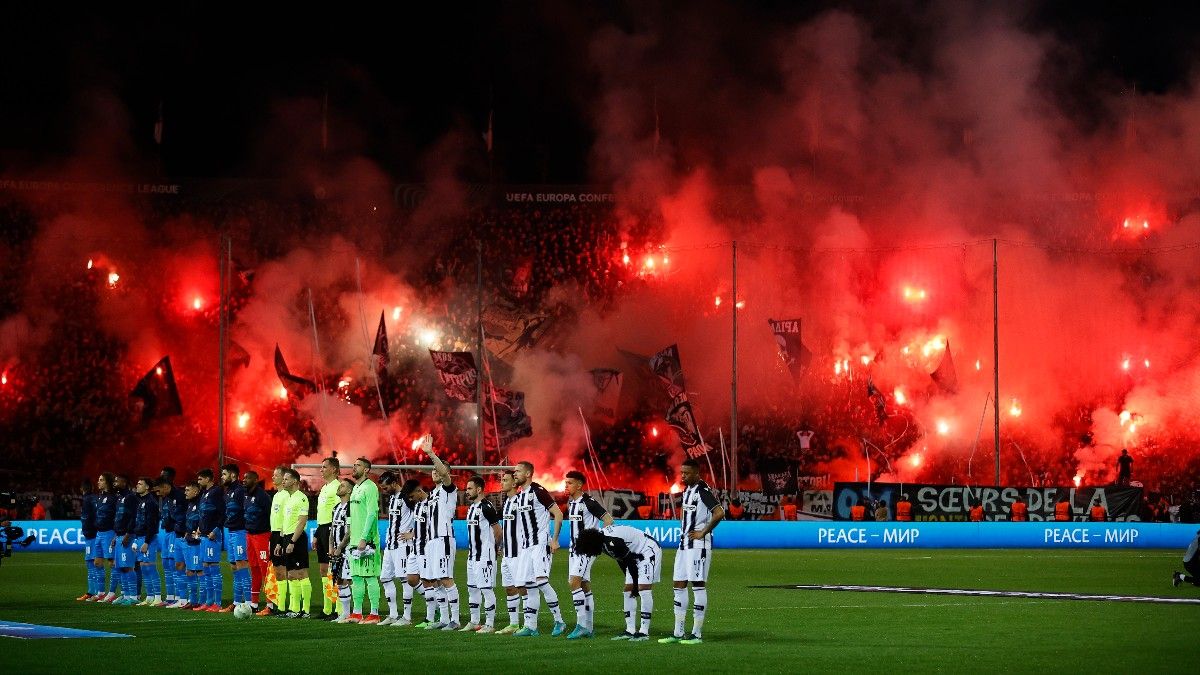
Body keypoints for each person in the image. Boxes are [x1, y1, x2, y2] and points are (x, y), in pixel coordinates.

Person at [662, 458, 723, 645]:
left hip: (699, 546)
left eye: (686, 473)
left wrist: (703, 532)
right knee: (678, 585)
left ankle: (696, 634)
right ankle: (678, 633)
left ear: (697, 474)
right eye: (682, 473)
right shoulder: (687, 490)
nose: (682, 476)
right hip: (684, 545)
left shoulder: (703, 491)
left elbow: (719, 512)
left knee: (697, 585)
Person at [573, 525, 662, 642]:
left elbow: (628, 560)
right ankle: (630, 630)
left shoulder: (611, 541)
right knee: (628, 590)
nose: (590, 554)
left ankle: (644, 632)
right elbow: (622, 559)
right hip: (634, 555)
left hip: (648, 550)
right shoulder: (603, 542)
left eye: (588, 551)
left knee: (643, 588)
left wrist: (635, 584)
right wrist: (630, 581)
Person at [512, 460, 566, 637]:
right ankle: (531, 627)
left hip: (541, 543)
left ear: (528, 474)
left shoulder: (538, 491)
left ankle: (559, 621)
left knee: (541, 581)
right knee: (529, 585)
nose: (515, 474)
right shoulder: (520, 496)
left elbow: (558, 514)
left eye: (518, 471)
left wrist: (555, 540)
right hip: (527, 547)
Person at [418, 439, 462, 631]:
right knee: (434, 581)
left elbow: (443, 472)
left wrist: (430, 453)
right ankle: (443, 619)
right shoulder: (432, 494)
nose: (435, 471)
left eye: (438, 469)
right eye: (433, 469)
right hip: (431, 542)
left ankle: (456, 619)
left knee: (445, 578)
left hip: (444, 539)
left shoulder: (448, 489)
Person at [564, 470, 612, 639]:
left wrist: (597, 539)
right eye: (566, 483)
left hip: (585, 550)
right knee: (584, 586)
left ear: (579, 485)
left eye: (569, 483)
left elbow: (608, 520)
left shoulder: (588, 502)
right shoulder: (572, 503)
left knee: (574, 583)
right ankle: (589, 628)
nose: (566, 486)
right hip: (574, 550)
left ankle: (581, 625)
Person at [461, 475, 501, 633]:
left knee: (486, 589)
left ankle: (490, 624)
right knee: (472, 589)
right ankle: (474, 621)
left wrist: (496, 547)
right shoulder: (472, 508)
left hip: (485, 556)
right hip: (472, 556)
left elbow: (498, 531)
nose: (466, 491)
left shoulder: (487, 507)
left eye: (469, 488)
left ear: (479, 489)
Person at [379, 471, 417, 626]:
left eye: (385, 487)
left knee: (405, 580)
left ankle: (407, 617)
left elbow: (423, 516)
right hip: (390, 545)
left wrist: (413, 534)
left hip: (403, 545)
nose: (384, 490)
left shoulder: (407, 498)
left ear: (394, 483)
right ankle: (393, 614)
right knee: (385, 578)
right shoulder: (393, 499)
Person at [347, 457, 382, 624]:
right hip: (354, 540)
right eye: (354, 465)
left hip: (366, 541)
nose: (354, 467)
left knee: (370, 577)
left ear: (366, 469)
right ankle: (357, 613)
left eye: (358, 465)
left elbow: (372, 514)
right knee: (356, 577)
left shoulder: (370, 487)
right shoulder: (355, 488)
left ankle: (374, 613)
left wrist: (364, 538)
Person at [276, 468, 313, 618]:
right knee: (290, 574)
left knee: (301, 573)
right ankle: (295, 609)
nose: (283, 481)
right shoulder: (288, 498)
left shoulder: (301, 498)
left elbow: (302, 521)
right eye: (283, 479)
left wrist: (292, 541)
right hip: (286, 539)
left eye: (286, 479)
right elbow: (285, 523)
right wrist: (280, 542)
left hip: (296, 539)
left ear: (295, 481)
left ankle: (306, 610)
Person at [495, 469, 526, 634]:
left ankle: (529, 624)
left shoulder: (521, 501)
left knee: (522, 587)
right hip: (507, 553)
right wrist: (501, 545)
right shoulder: (506, 502)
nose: (502, 483)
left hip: (519, 552)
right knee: (509, 588)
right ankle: (513, 624)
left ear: (514, 483)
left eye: (505, 480)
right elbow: (506, 528)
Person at [313, 457, 341, 620]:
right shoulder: (324, 488)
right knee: (323, 570)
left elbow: (338, 511)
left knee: (334, 570)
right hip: (322, 528)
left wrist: (333, 533)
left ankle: (339, 607)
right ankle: (327, 608)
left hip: (332, 528)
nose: (321, 469)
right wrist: (317, 533)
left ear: (334, 470)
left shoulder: (337, 487)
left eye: (324, 467)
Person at [219, 464, 249, 613]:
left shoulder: (240, 491)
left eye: (224, 474)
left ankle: (249, 602)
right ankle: (237, 602)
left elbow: (247, 510)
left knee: (241, 563)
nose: (222, 477)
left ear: (233, 475)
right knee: (233, 566)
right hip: (230, 531)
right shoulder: (228, 491)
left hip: (240, 532)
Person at [260, 466, 290, 616]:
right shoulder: (277, 495)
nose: (273, 477)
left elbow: (286, 518)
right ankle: (275, 604)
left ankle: (282, 605)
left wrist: (281, 539)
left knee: (282, 570)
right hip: (274, 534)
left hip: (281, 534)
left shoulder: (285, 495)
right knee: (275, 569)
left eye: (276, 475)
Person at [242, 471, 272, 612]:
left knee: (265, 569)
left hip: (262, 536)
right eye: (244, 477)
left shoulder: (263, 496)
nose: (244, 480)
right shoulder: (246, 495)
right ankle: (254, 604)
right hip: (250, 536)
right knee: (253, 568)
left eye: (247, 478)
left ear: (255, 480)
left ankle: (270, 604)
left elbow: (270, 515)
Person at [196, 469, 225, 611]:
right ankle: (208, 601)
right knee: (206, 567)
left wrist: (216, 529)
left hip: (212, 535)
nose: (198, 482)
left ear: (208, 479)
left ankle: (217, 603)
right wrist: (199, 528)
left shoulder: (217, 492)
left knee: (213, 566)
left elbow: (222, 512)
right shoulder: (204, 493)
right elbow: (204, 513)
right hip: (203, 535)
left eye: (200, 479)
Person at [132, 477, 163, 606]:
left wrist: (146, 541)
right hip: (140, 537)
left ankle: (158, 597)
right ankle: (149, 596)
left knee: (151, 567)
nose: (137, 485)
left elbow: (152, 524)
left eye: (140, 484)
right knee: (144, 568)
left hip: (147, 538)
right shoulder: (140, 501)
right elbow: (138, 520)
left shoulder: (151, 502)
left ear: (147, 487)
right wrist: (135, 539)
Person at [112, 475, 140, 605]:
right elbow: (119, 517)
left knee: (128, 567)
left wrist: (128, 534)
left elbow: (134, 517)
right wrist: (115, 536)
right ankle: (125, 594)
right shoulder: (119, 498)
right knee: (121, 568)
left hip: (127, 536)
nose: (115, 482)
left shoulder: (130, 497)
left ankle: (133, 597)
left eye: (118, 480)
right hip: (119, 535)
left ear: (125, 482)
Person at [329, 478, 354, 621]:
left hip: (347, 549)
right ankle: (344, 613)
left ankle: (351, 612)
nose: (339, 487)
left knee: (348, 580)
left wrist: (340, 547)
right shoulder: (336, 507)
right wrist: (331, 547)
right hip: (337, 549)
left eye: (343, 486)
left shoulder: (351, 507)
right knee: (339, 579)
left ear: (349, 490)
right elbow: (332, 529)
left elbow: (350, 531)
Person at [153, 478, 180, 606]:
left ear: (165, 486)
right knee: (166, 564)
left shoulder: (178, 496)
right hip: (167, 533)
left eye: (158, 491)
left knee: (174, 564)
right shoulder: (164, 498)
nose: (157, 494)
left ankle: (179, 597)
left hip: (175, 533)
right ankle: (170, 597)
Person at [182, 481, 204, 609]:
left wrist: (199, 532)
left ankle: (202, 601)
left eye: (188, 490)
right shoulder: (190, 504)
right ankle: (193, 600)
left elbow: (203, 519)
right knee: (189, 571)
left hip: (197, 542)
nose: (185, 492)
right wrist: (187, 532)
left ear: (195, 491)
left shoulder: (200, 504)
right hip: (189, 541)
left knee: (200, 571)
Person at [78, 480, 100, 601]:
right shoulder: (95, 498)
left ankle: (94, 593)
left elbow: (87, 518)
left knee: (91, 563)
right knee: (92, 563)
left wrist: (88, 531)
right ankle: (93, 592)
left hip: (91, 536)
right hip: (93, 534)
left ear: (82, 488)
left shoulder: (87, 500)